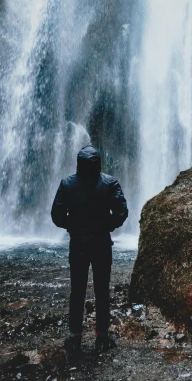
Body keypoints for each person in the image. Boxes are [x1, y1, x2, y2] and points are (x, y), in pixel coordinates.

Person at [51, 145, 128, 353]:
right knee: (102, 290)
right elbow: (122, 212)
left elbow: (56, 216)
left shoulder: (67, 184)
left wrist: (71, 226)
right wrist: (108, 225)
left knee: (77, 291)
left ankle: (75, 336)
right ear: (98, 163)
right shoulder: (109, 183)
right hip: (102, 243)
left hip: (78, 244)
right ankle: (102, 335)